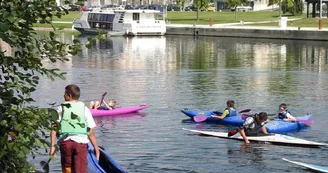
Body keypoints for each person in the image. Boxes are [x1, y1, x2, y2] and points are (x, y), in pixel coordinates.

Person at [50, 84, 100, 173]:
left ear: (69, 96)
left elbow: (54, 127)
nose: (63, 96)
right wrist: (96, 148)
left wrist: (52, 146)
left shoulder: (61, 108)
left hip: (66, 143)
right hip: (81, 144)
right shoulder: (85, 109)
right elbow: (90, 132)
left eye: (65, 94)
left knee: (67, 168)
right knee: (80, 170)